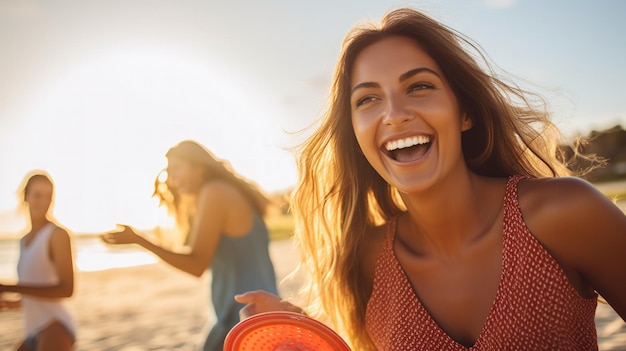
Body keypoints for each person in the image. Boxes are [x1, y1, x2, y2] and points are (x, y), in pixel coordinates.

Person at [233, 7, 626, 351]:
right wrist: (302, 330)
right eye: (368, 99)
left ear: (464, 113)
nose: (395, 114)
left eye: (419, 87)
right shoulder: (366, 259)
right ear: (354, 133)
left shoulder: (563, 214)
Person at [100, 140, 279, 351]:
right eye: (168, 171)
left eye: (176, 168)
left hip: (242, 318)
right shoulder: (228, 191)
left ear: (199, 167)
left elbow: (196, 264)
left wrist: (140, 240)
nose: (171, 178)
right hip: (260, 310)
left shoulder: (214, 192)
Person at [0, 171, 76, 351]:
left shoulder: (57, 235)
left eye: (48, 196)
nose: (43, 201)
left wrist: (8, 287)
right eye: (37, 195)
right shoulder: (23, 240)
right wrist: (12, 303)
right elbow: (36, 291)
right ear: (25, 196)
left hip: (55, 327)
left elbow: (67, 289)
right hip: (32, 331)